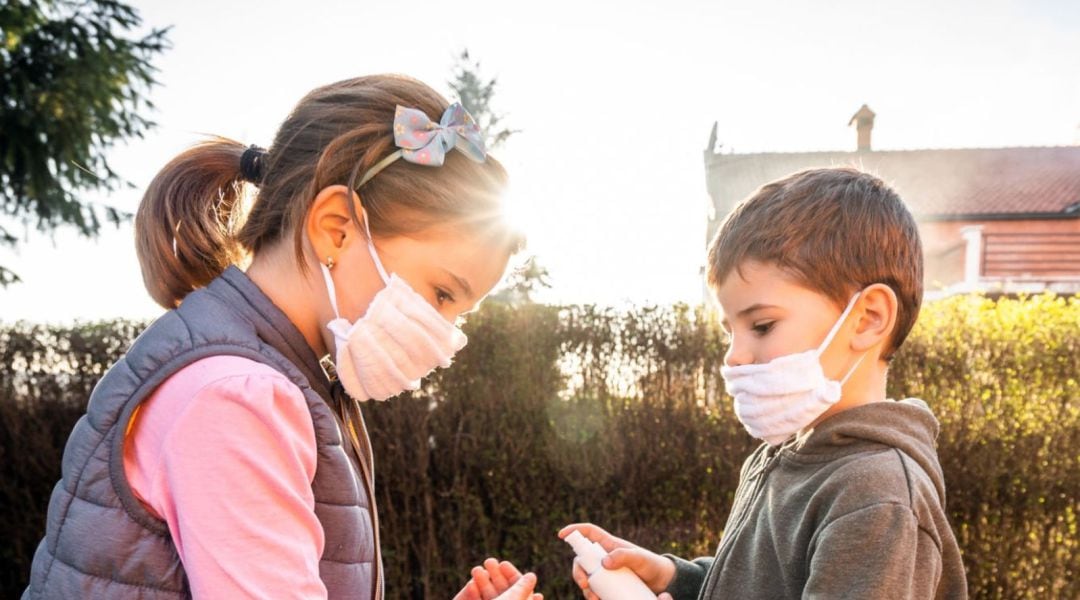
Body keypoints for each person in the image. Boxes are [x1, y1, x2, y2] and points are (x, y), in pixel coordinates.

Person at [24, 74, 540, 600]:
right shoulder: (237, 398)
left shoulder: (285, 377)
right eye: (443, 294)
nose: (446, 335)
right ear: (335, 227)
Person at [562, 167, 968, 599]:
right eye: (728, 331)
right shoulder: (782, 455)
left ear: (867, 319)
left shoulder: (875, 498)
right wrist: (673, 579)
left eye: (761, 325)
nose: (733, 354)